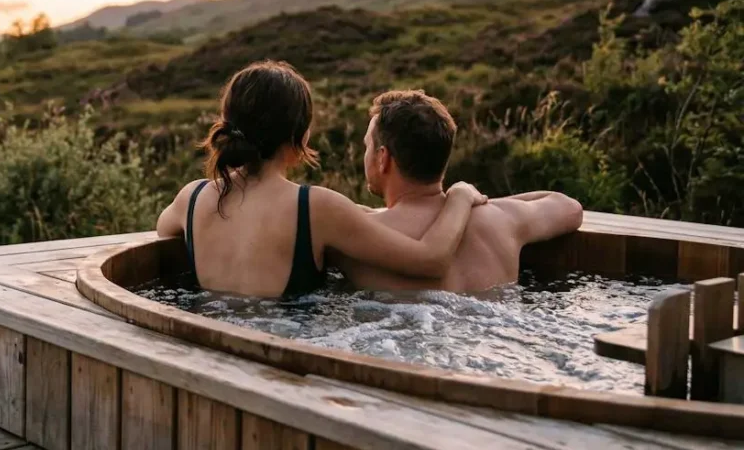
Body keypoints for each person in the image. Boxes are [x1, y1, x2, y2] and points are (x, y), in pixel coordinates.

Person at [156, 61, 488, 299]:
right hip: (282, 368)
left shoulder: (191, 198)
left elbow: (163, 231)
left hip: (209, 354)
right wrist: (459, 196)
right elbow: (431, 261)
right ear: (300, 134)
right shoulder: (315, 208)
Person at [337, 90, 584, 292]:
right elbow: (569, 208)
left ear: (383, 159)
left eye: (367, 146)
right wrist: (466, 199)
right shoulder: (504, 219)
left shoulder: (358, 235)